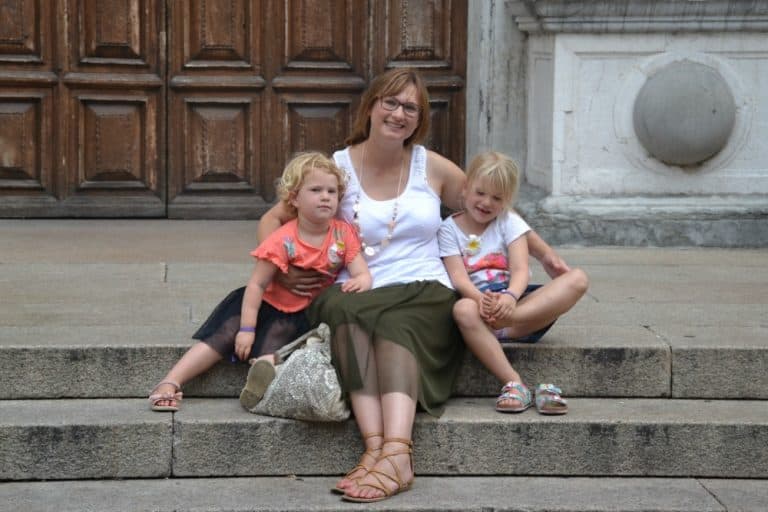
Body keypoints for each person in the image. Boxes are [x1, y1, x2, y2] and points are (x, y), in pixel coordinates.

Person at [257, 68, 579, 503]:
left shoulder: (430, 165)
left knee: (397, 326)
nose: (399, 113)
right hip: (358, 287)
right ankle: (373, 450)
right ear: (371, 106)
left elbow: (492, 205)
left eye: (411, 107)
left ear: (419, 118)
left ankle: (398, 453)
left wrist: (543, 254)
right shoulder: (338, 166)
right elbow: (275, 219)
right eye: (390, 102)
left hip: (425, 286)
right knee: (346, 315)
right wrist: (282, 266)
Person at [148, 152, 371, 412]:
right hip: (266, 304)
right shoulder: (283, 240)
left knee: (281, 350)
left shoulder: (343, 235)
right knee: (223, 334)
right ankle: (171, 381)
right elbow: (257, 285)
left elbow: (360, 270)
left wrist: (363, 280)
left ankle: (260, 380)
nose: (325, 196)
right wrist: (246, 329)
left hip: (304, 315)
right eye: (316, 190)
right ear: (294, 199)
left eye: (332, 192)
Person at [438, 151, 588, 415]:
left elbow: (520, 269)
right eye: (480, 193)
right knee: (461, 309)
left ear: (507, 201)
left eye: (497, 198)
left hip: (516, 310)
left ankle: (507, 322)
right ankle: (514, 382)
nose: (486, 203)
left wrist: (509, 298)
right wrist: (478, 299)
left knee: (577, 279)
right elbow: (458, 277)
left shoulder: (509, 222)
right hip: (478, 307)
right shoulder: (448, 229)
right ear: (465, 189)